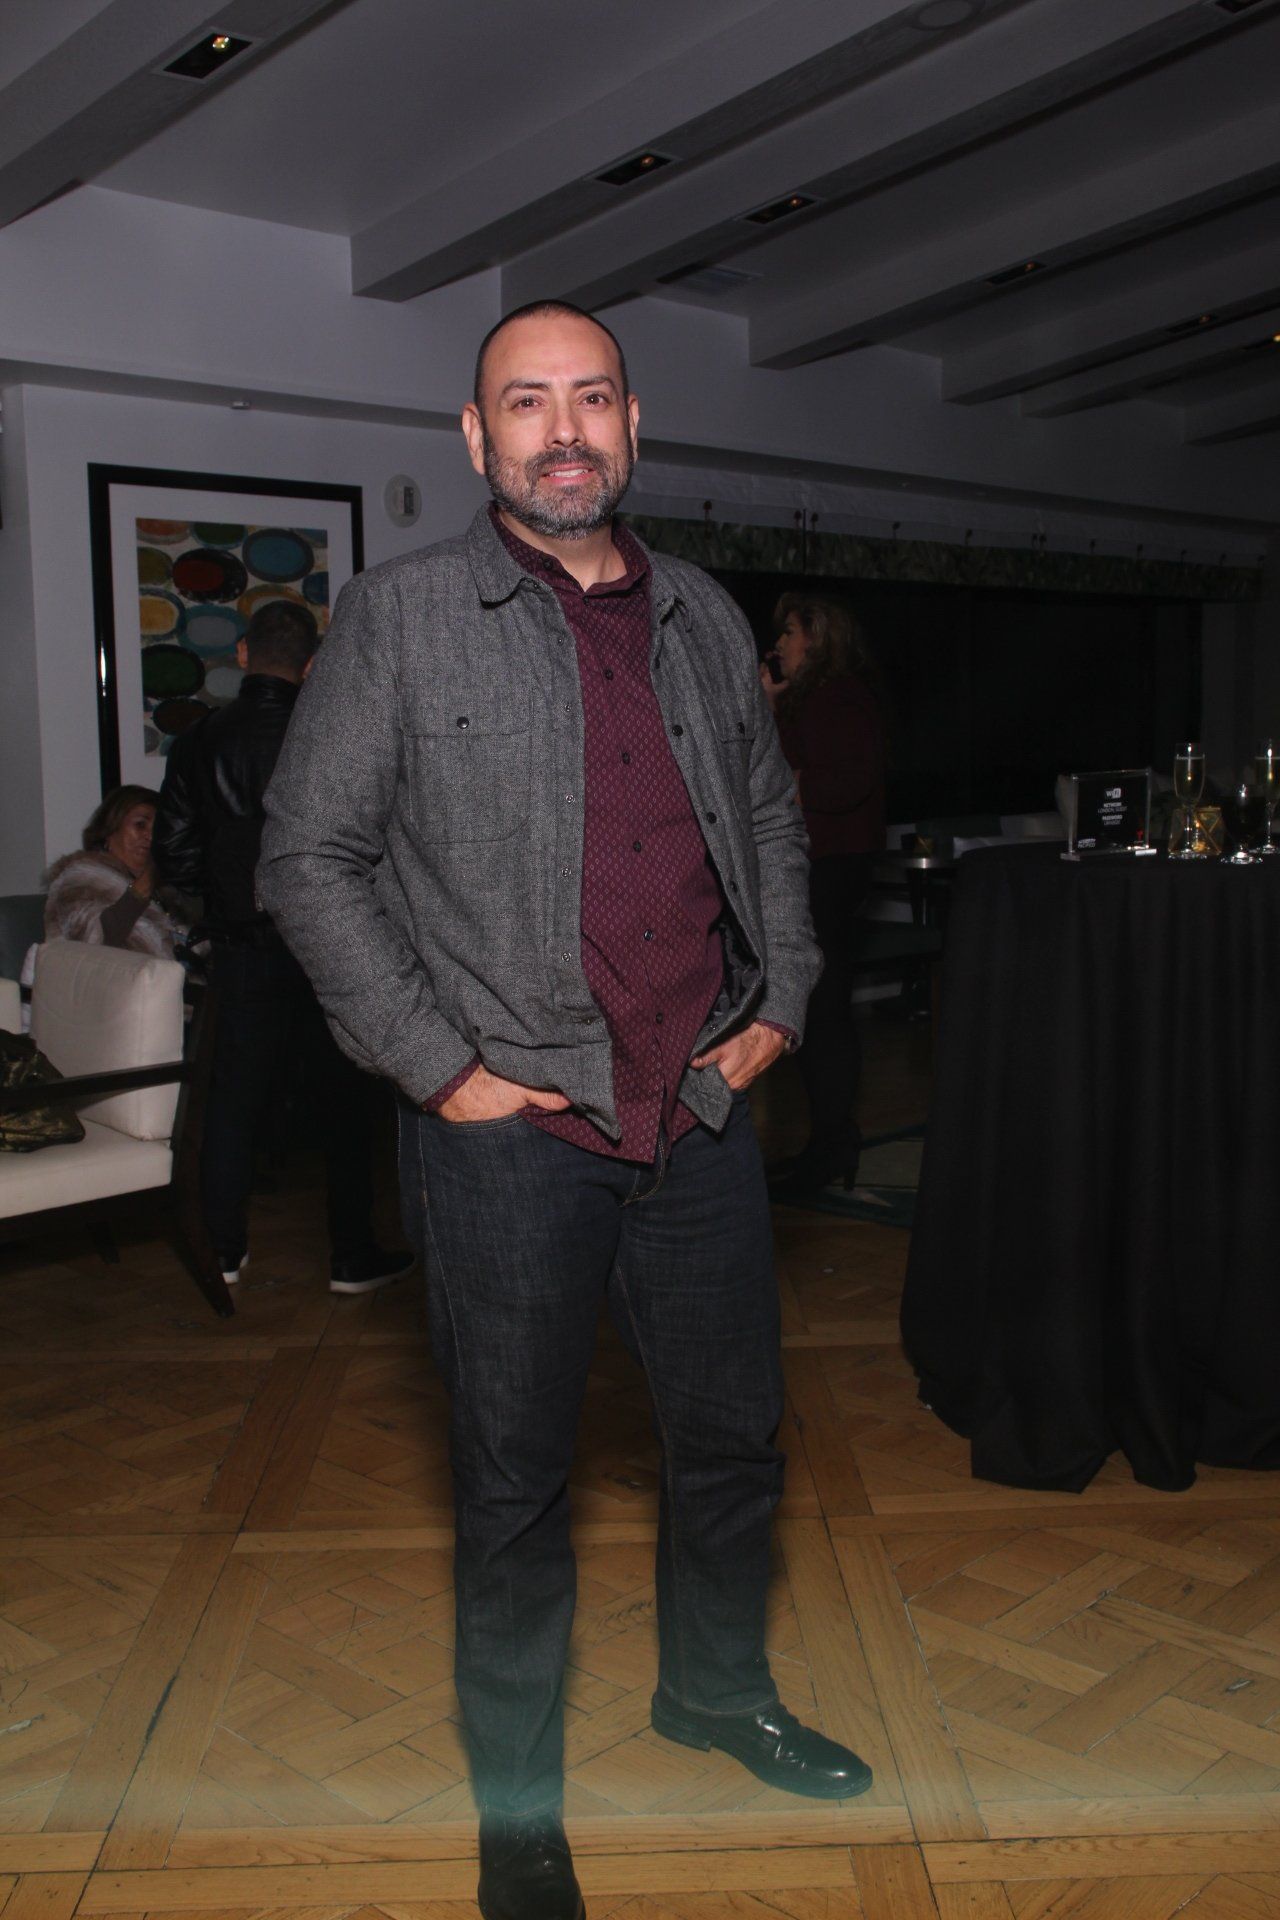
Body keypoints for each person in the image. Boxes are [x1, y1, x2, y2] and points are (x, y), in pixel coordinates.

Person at [260, 301, 872, 1920]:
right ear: (478, 439)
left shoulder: (703, 614)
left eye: (590, 397)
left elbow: (768, 815)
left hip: (701, 1111)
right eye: (526, 403)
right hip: (510, 1134)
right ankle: (519, 1809)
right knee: (515, 1486)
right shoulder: (403, 617)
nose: (563, 430)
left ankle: (717, 1693)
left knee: (732, 1441)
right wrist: (434, 1064)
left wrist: (785, 997)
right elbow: (306, 861)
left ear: (633, 423)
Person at [153, 602, 413, 1296]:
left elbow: (173, 856)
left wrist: (222, 899)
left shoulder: (198, 741)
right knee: (346, 1103)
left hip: (244, 944)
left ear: (242, 654)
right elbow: (380, 847)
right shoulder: (333, 734)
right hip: (331, 944)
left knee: (232, 1101)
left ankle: (223, 1250)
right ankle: (351, 1255)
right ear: (312, 664)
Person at [760, 593, 886, 1197]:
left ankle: (833, 1144)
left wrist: (793, 783)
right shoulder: (812, 699)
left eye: (790, 632)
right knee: (818, 1007)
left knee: (824, 1008)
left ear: (818, 637)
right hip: (821, 864)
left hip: (832, 866)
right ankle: (829, 1143)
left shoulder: (840, 697)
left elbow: (846, 780)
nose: (779, 644)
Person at [45, 785, 181, 957]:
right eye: (140, 825)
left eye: (158, 830)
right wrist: (145, 883)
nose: (151, 836)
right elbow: (96, 942)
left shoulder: (168, 890)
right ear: (109, 831)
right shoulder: (82, 878)